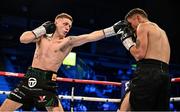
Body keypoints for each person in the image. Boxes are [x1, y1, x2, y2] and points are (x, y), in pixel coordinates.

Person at [0, 13, 126, 111]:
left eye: (69, 26)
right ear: (56, 22)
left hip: (47, 85)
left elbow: (89, 37)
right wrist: (42, 28)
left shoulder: (67, 42)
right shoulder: (42, 37)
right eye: (65, 24)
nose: (67, 28)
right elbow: (23, 39)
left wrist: (112, 29)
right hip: (29, 81)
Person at [117, 8, 171, 111]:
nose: (131, 28)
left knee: (133, 106)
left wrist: (127, 42)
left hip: (148, 73)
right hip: (165, 75)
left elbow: (139, 55)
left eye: (130, 23)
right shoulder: (162, 31)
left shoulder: (142, 26)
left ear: (137, 17)